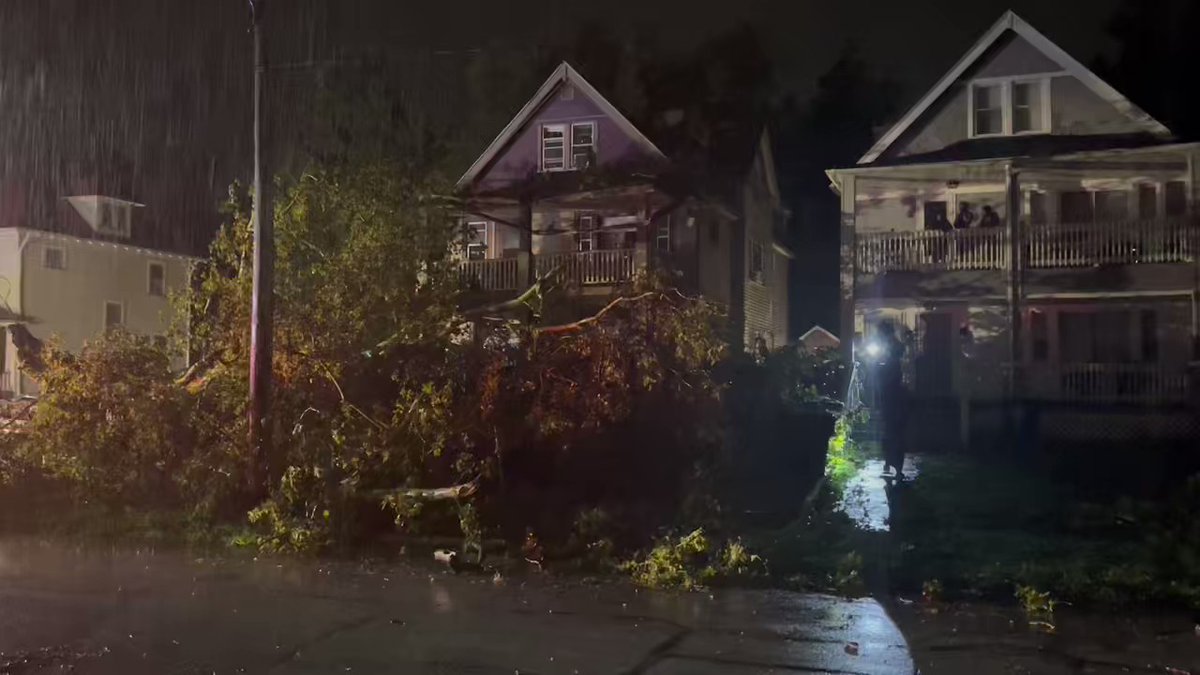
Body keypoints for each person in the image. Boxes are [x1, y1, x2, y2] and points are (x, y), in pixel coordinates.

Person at [874, 321, 909, 480]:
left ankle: (895, 465)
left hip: (893, 393)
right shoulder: (890, 346)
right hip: (890, 393)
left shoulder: (894, 346)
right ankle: (890, 463)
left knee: (893, 429)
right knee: (890, 429)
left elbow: (892, 367)